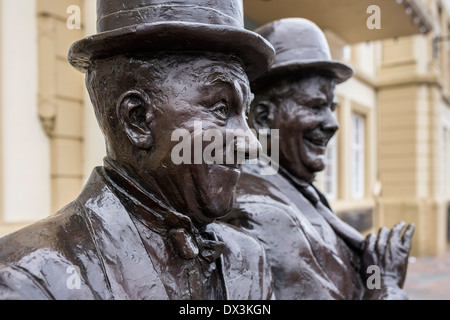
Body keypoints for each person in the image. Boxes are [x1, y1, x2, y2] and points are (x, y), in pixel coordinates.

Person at [0, 0, 276, 300]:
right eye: (220, 109)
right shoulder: (29, 278)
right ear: (137, 120)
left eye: (244, 112)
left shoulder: (248, 258)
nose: (252, 144)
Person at [221, 18, 415, 300]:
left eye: (332, 107)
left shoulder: (296, 188)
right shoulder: (262, 212)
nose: (332, 123)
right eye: (315, 106)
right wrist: (386, 285)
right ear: (263, 117)